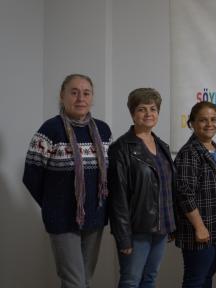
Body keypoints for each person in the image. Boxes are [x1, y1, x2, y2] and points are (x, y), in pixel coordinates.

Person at [23, 74, 111, 288]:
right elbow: (31, 177)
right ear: (62, 96)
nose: (80, 98)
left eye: (86, 93)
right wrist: (54, 204)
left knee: (85, 279)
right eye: (74, 92)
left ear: (92, 98)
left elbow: (108, 175)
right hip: (62, 219)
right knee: (75, 282)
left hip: (95, 217)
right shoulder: (50, 130)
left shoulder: (103, 130)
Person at [108, 88, 176, 288]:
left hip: (161, 227)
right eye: (141, 109)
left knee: (150, 279)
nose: (148, 114)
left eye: (153, 109)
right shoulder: (121, 148)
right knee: (130, 281)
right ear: (132, 113)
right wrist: (123, 238)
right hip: (137, 230)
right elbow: (117, 198)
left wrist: (171, 223)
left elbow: (167, 187)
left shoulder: (162, 145)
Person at [174, 101, 216, 288]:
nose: (209, 124)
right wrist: (199, 227)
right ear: (192, 123)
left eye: (213, 119)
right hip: (199, 230)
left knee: (206, 278)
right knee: (196, 280)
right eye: (203, 120)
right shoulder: (190, 152)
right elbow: (184, 193)